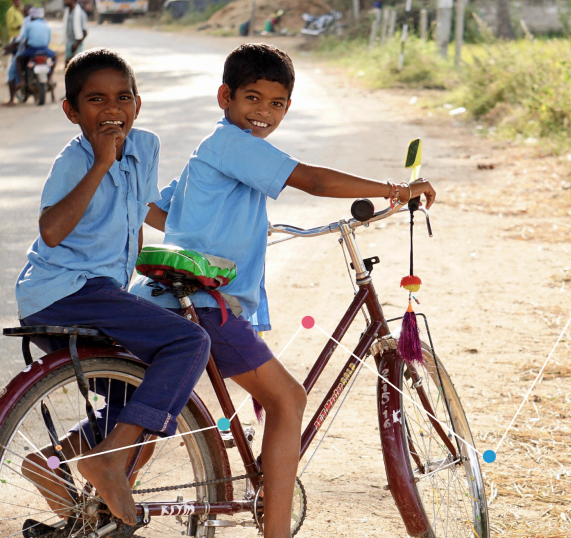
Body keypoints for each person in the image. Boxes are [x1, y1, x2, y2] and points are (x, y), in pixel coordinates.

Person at [130, 43, 437, 538]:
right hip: (207, 305)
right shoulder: (234, 144)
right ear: (224, 96)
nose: (263, 113)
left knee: (149, 411)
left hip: (172, 299)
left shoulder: (210, 151)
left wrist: (230, 229)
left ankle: (57, 467)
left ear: (287, 107)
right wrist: (395, 191)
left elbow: (164, 214)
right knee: (288, 400)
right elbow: (311, 180)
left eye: (276, 104)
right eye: (252, 98)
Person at [13, 48, 211, 529]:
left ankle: (53, 465)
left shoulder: (146, 146)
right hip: (65, 291)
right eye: (96, 100)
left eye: (123, 97)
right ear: (72, 112)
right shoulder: (74, 160)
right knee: (190, 341)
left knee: (147, 388)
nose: (112, 109)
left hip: (100, 292)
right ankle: (107, 462)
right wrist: (100, 162)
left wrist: (191, 254)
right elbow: (52, 231)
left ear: (137, 104)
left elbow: (138, 214)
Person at [14, 7, 58, 95]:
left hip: (32, 50)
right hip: (44, 49)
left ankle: (21, 80)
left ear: (32, 17)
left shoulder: (29, 25)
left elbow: (24, 39)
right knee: (55, 56)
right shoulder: (46, 26)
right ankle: (49, 78)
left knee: (18, 59)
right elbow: (48, 41)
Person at [2, 0, 27, 105]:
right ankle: (12, 97)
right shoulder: (11, 11)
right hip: (15, 41)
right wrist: (22, 26)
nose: (19, 2)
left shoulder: (20, 11)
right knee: (13, 68)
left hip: (22, 42)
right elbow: (11, 25)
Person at [63, 0, 88, 68]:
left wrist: (76, 45)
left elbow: (85, 32)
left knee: (78, 67)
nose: (65, 1)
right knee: (67, 66)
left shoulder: (81, 14)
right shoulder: (67, 12)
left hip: (77, 45)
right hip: (68, 44)